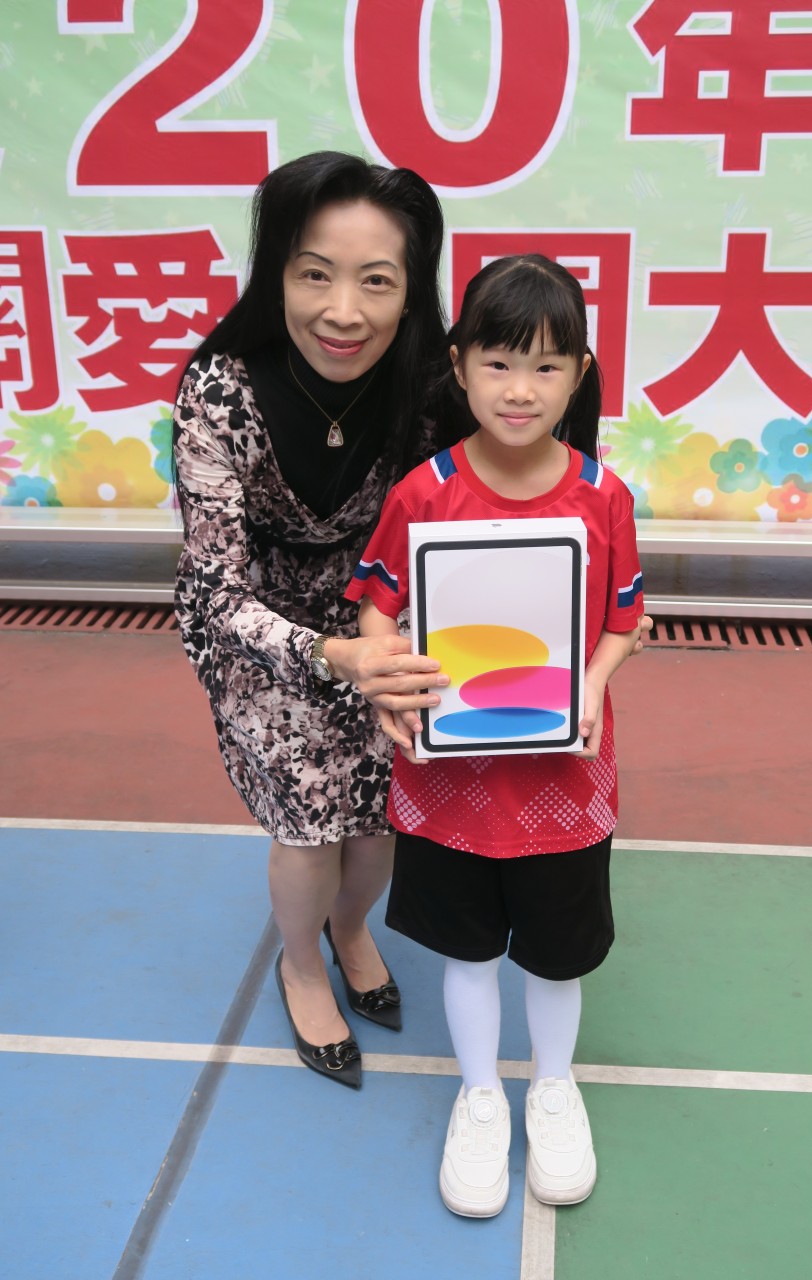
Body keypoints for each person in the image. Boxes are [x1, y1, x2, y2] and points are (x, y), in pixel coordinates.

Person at [344, 254, 644, 1213]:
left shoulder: (602, 496)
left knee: (556, 955)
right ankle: (480, 1095)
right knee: (467, 951)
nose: (521, 389)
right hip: (449, 776)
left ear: (579, 374)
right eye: (499, 363)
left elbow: (624, 619)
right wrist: (388, 679)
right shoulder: (421, 494)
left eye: (547, 366)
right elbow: (375, 607)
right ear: (459, 365)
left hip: (563, 779)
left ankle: (552, 1086)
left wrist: (591, 680)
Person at [172, 152, 453, 1091]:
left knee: (380, 813)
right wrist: (336, 656)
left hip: (380, 614)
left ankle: (350, 927)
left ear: (410, 291)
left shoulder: (429, 385)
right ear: (276, 274)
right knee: (307, 818)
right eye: (315, 274)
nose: (343, 311)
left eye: (376, 281)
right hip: (257, 630)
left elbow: (525, 443)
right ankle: (301, 964)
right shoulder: (219, 392)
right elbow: (215, 591)